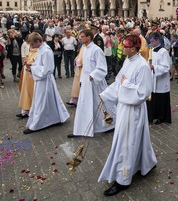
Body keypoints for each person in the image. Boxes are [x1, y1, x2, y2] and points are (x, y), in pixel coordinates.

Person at [98, 35, 157, 197]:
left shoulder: (142, 66)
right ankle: (147, 162)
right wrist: (105, 94)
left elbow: (144, 92)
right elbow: (118, 82)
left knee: (127, 143)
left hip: (133, 111)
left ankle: (122, 179)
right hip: (124, 108)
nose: (121, 48)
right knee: (134, 139)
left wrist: (126, 84)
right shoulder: (128, 61)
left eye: (125, 46)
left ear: (133, 48)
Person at [68, 29, 114, 138]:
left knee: (100, 105)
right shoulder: (86, 49)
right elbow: (86, 66)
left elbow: (102, 68)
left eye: (82, 36)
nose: (80, 38)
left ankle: (109, 125)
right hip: (86, 81)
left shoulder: (96, 50)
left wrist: (92, 76)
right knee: (85, 105)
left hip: (95, 82)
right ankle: (82, 128)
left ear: (89, 37)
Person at [23, 32, 69, 134]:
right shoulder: (41, 49)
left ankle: (37, 124)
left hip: (45, 80)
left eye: (32, 44)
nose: (31, 46)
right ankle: (55, 118)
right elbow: (40, 63)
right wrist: (32, 65)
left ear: (39, 41)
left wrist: (33, 68)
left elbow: (47, 69)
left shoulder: (46, 51)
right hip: (42, 80)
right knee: (49, 100)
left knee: (41, 102)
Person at [148, 32, 172, 124]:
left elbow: (166, 67)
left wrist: (155, 68)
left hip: (160, 80)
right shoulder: (151, 50)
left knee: (160, 99)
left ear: (158, 40)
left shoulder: (163, 52)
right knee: (153, 98)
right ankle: (153, 115)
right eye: (150, 40)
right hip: (152, 78)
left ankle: (161, 117)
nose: (151, 42)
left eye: (153, 40)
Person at [17, 35, 38, 118]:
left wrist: (31, 63)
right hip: (27, 72)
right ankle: (25, 109)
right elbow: (26, 56)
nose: (31, 45)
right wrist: (25, 60)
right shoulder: (30, 50)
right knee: (25, 91)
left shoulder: (39, 51)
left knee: (32, 92)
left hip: (33, 74)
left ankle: (31, 109)